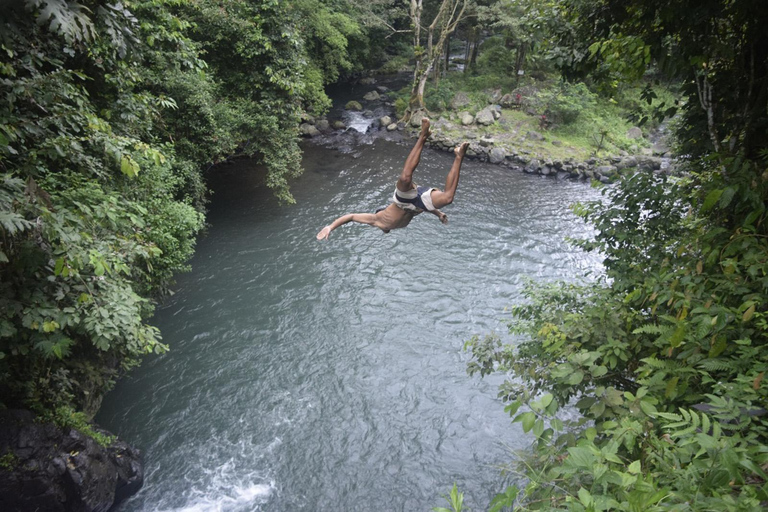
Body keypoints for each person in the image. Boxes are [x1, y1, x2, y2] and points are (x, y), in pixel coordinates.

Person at [316, 118, 469, 240]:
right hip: (417, 205)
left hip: (402, 201)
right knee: (448, 198)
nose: (385, 231)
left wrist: (331, 227)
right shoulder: (392, 225)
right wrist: (439, 214)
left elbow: (350, 217)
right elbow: (423, 209)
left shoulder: (376, 220)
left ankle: (423, 136)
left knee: (405, 177)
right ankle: (458, 155)